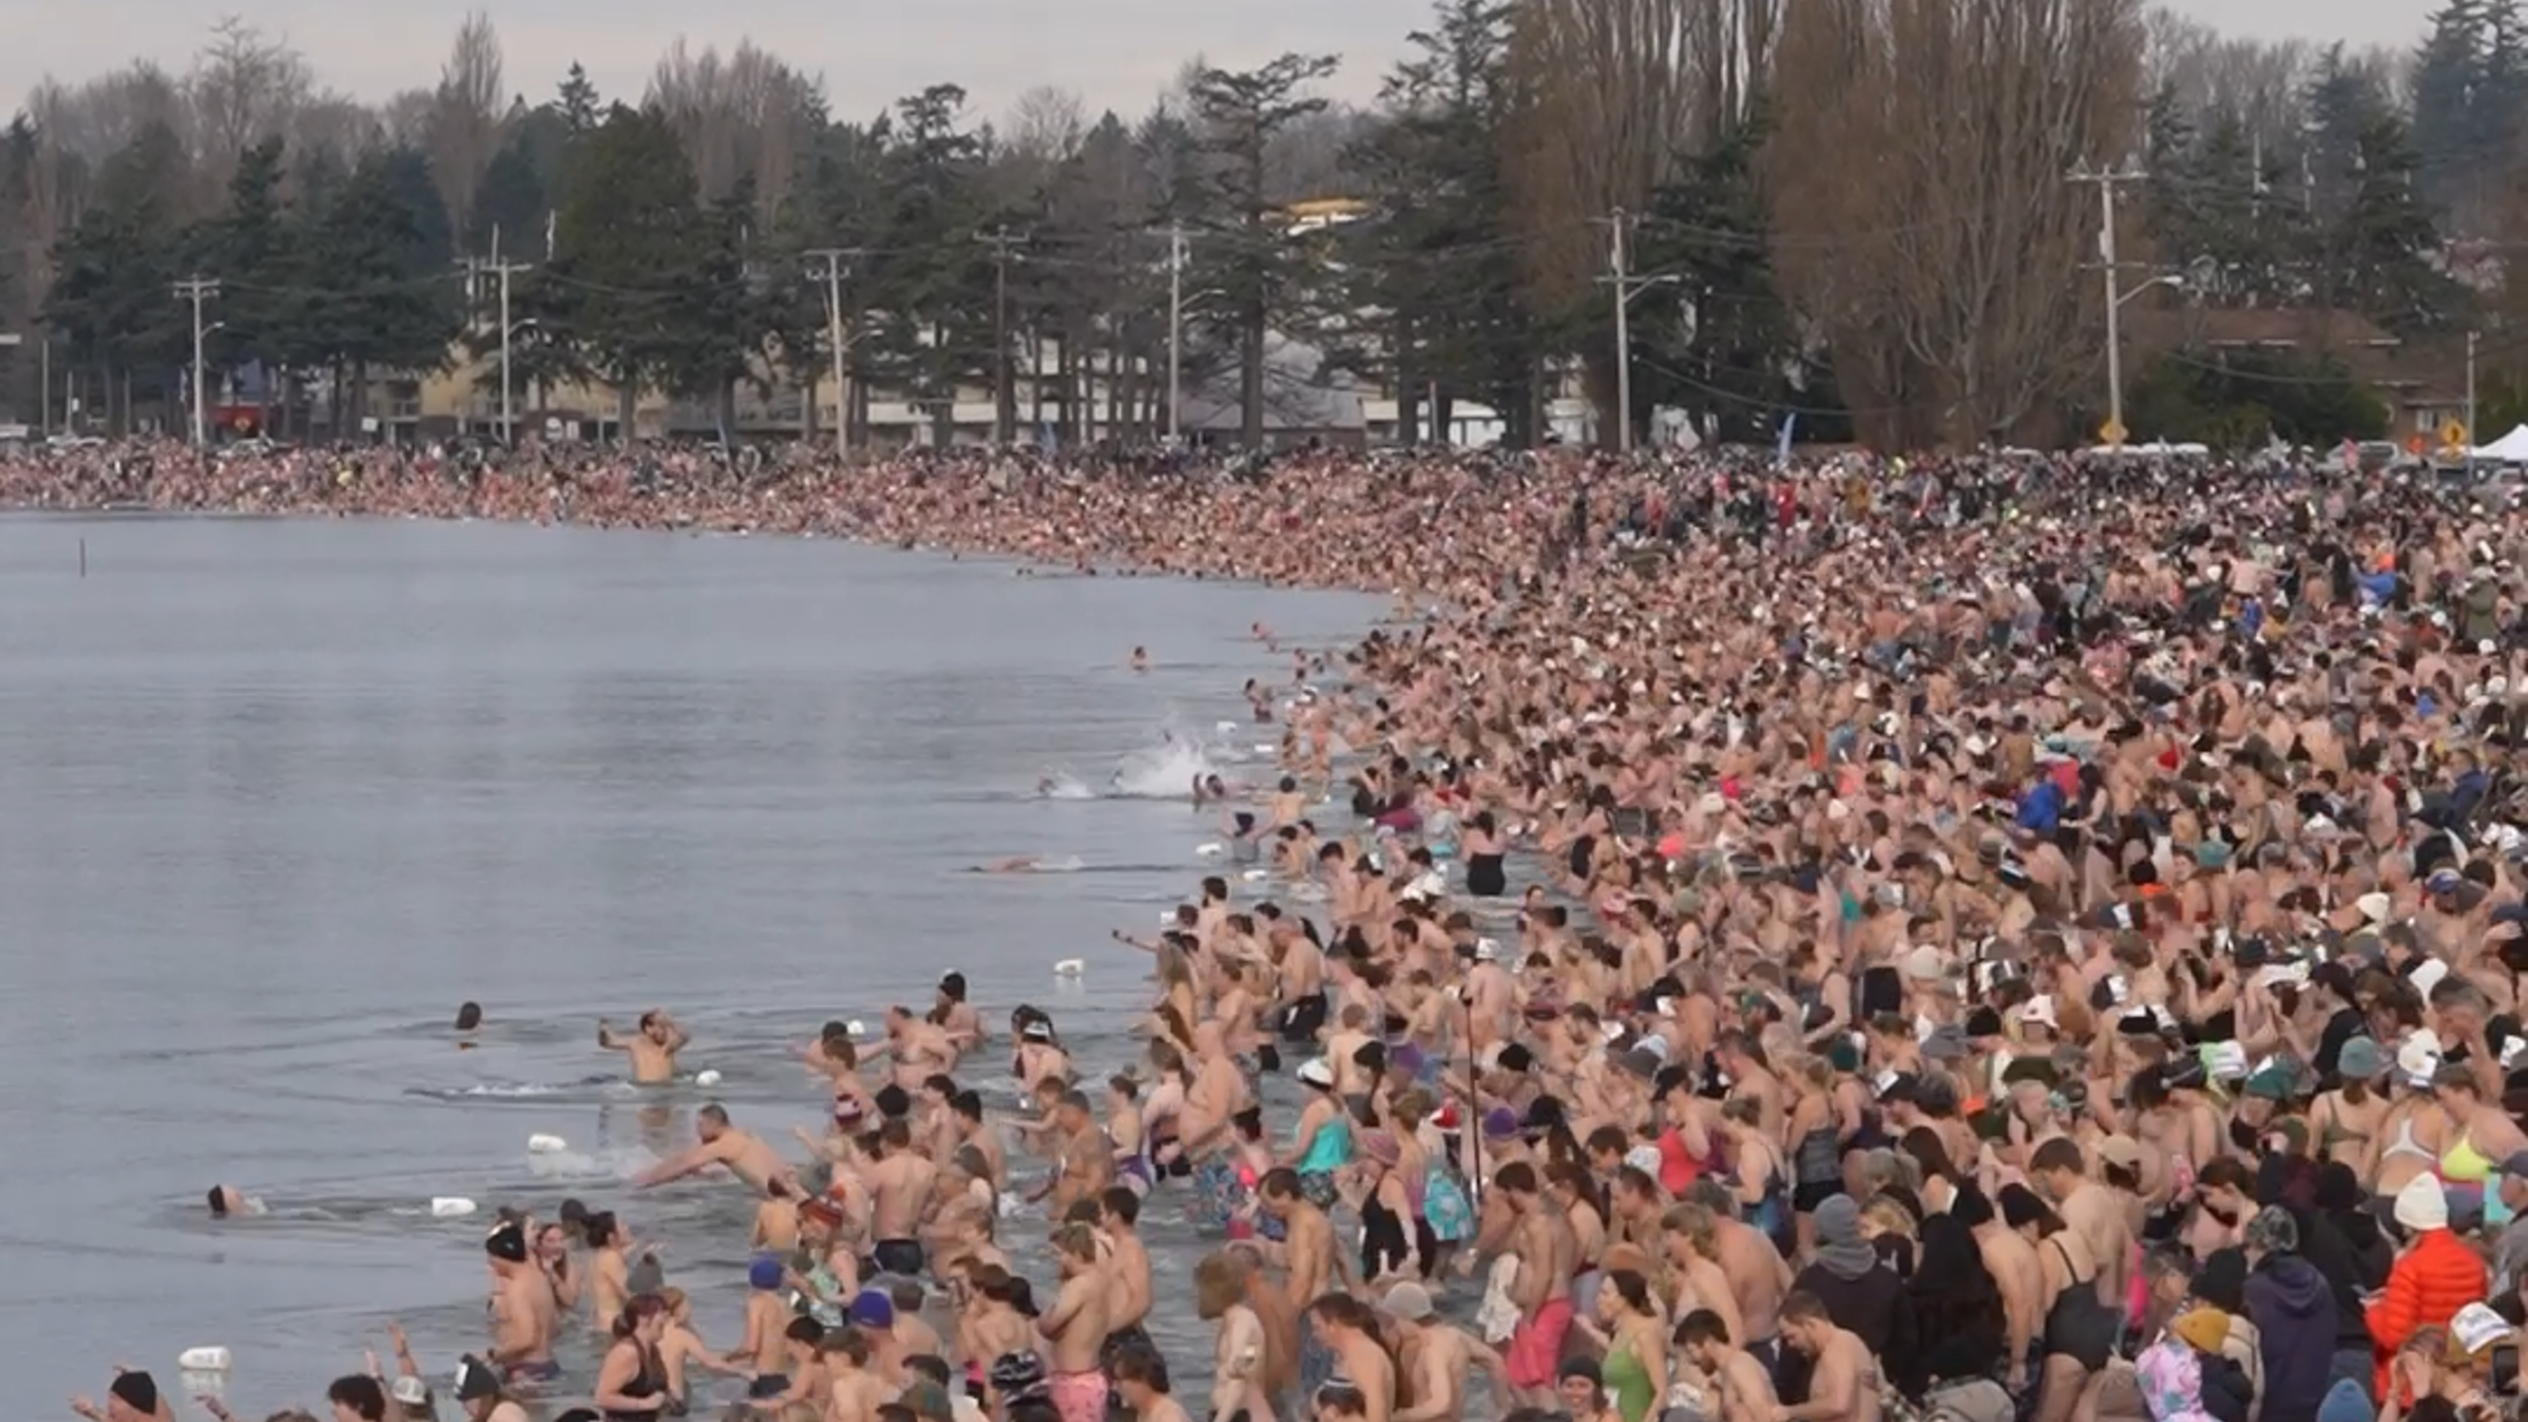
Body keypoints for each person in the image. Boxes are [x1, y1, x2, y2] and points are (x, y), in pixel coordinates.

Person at [2366, 1176, 2487, 1397]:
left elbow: (2395, 1336)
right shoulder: (2474, 1263)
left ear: (2409, 1228)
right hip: (2458, 1379)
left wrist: (2374, 1311)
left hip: (2414, 1383)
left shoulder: (2409, 1266)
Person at [2243, 1206, 2338, 1422]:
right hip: (2312, 1403)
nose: (2246, 1253)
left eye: (2248, 1245)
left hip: (2268, 1406)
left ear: (2261, 1244)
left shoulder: (2255, 1290)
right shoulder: (2321, 1285)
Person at [633, 1104, 797, 1193]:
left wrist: (646, 1181)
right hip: (795, 1188)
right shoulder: (746, 1135)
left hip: (784, 1200)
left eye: (700, 1125)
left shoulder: (722, 1146)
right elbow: (689, 1157)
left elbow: (683, 1165)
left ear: (713, 1124)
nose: (697, 1130)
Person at [1776, 1292, 1880, 1422]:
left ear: (1810, 1324)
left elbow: (1839, 1404)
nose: (1790, 1344)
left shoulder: (1838, 1346)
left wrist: (1789, 1412)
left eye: (1792, 1336)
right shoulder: (1840, 1345)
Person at [1674, 1310, 1780, 1422]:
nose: (1691, 1360)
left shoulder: (1739, 1366)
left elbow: (1764, 1413)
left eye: (1691, 1351)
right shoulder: (1725, 1373)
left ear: (1708, 1342)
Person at [594, 1295, 673, 1422]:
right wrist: (645, 1404)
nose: (666, 1318)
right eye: (661, 1312)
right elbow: (602, 1398)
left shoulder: (653, 1350)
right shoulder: (626, 1352)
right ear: (643, 1318)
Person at [600, 1011, 688, 1084]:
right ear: (648, 1028)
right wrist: (604, 1030)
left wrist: (670, 1022)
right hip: (642, 1088)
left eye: (666, 1027)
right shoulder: (635, 1043)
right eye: (661, 1027)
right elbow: (607, 1043)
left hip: (664, 1089)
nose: (665, 1031)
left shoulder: (667, 1047)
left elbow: (684, 1037)